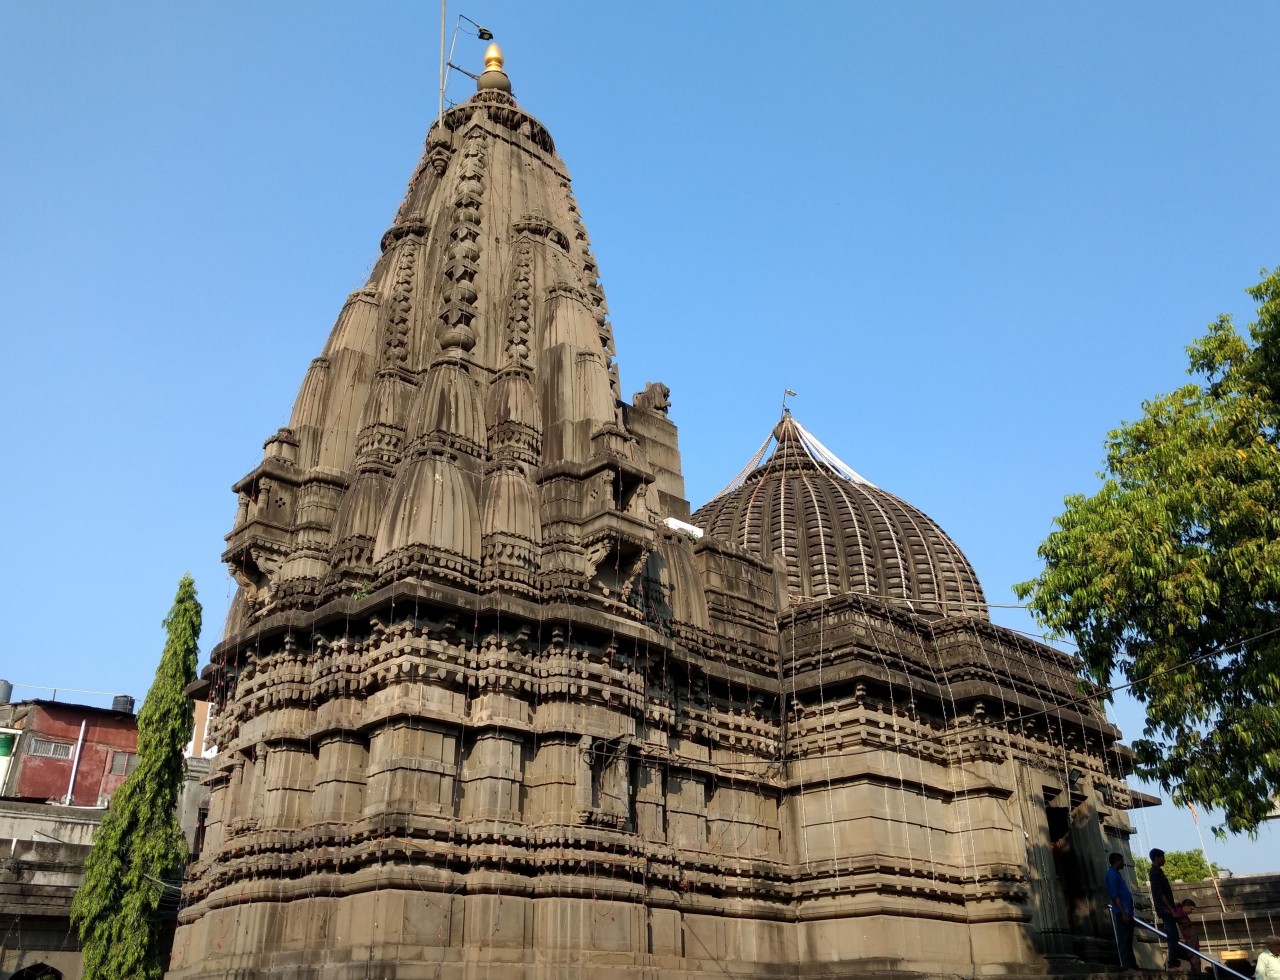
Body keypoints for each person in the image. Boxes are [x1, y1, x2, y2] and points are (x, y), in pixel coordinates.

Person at [1149, 848, 1181, 968]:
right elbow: (1159, 892)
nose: (1164, 859)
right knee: (1172, 934)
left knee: (1173, 934)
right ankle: (1172, 961)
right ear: (1157, 858)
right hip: (1165, 908)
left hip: (1165, 907)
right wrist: (1171, 908)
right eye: (1162, 857)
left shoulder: (1157, 872)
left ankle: (1173, 960)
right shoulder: (1154, 872)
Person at [1106, 852, 1137, 970]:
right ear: (1117, 861)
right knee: (1124, 939)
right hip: (1122, 911)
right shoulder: (1111, 874)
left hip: (1127, 910)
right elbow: (1115, 895)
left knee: (1128, 939)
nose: (1123, 863)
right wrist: (1122, 912)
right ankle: (1127, 965)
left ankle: (1131, 964)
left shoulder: (1116, 874)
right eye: (1122, 861)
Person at [1175, 899, 1202, 974]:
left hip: (1190, 944)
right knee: (1194, 963)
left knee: (1195, 962)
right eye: (1191, 909)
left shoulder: (1183, 915)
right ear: (1185, 907)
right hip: (1185, 943)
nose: (1191, 911)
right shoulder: (1179, 914)